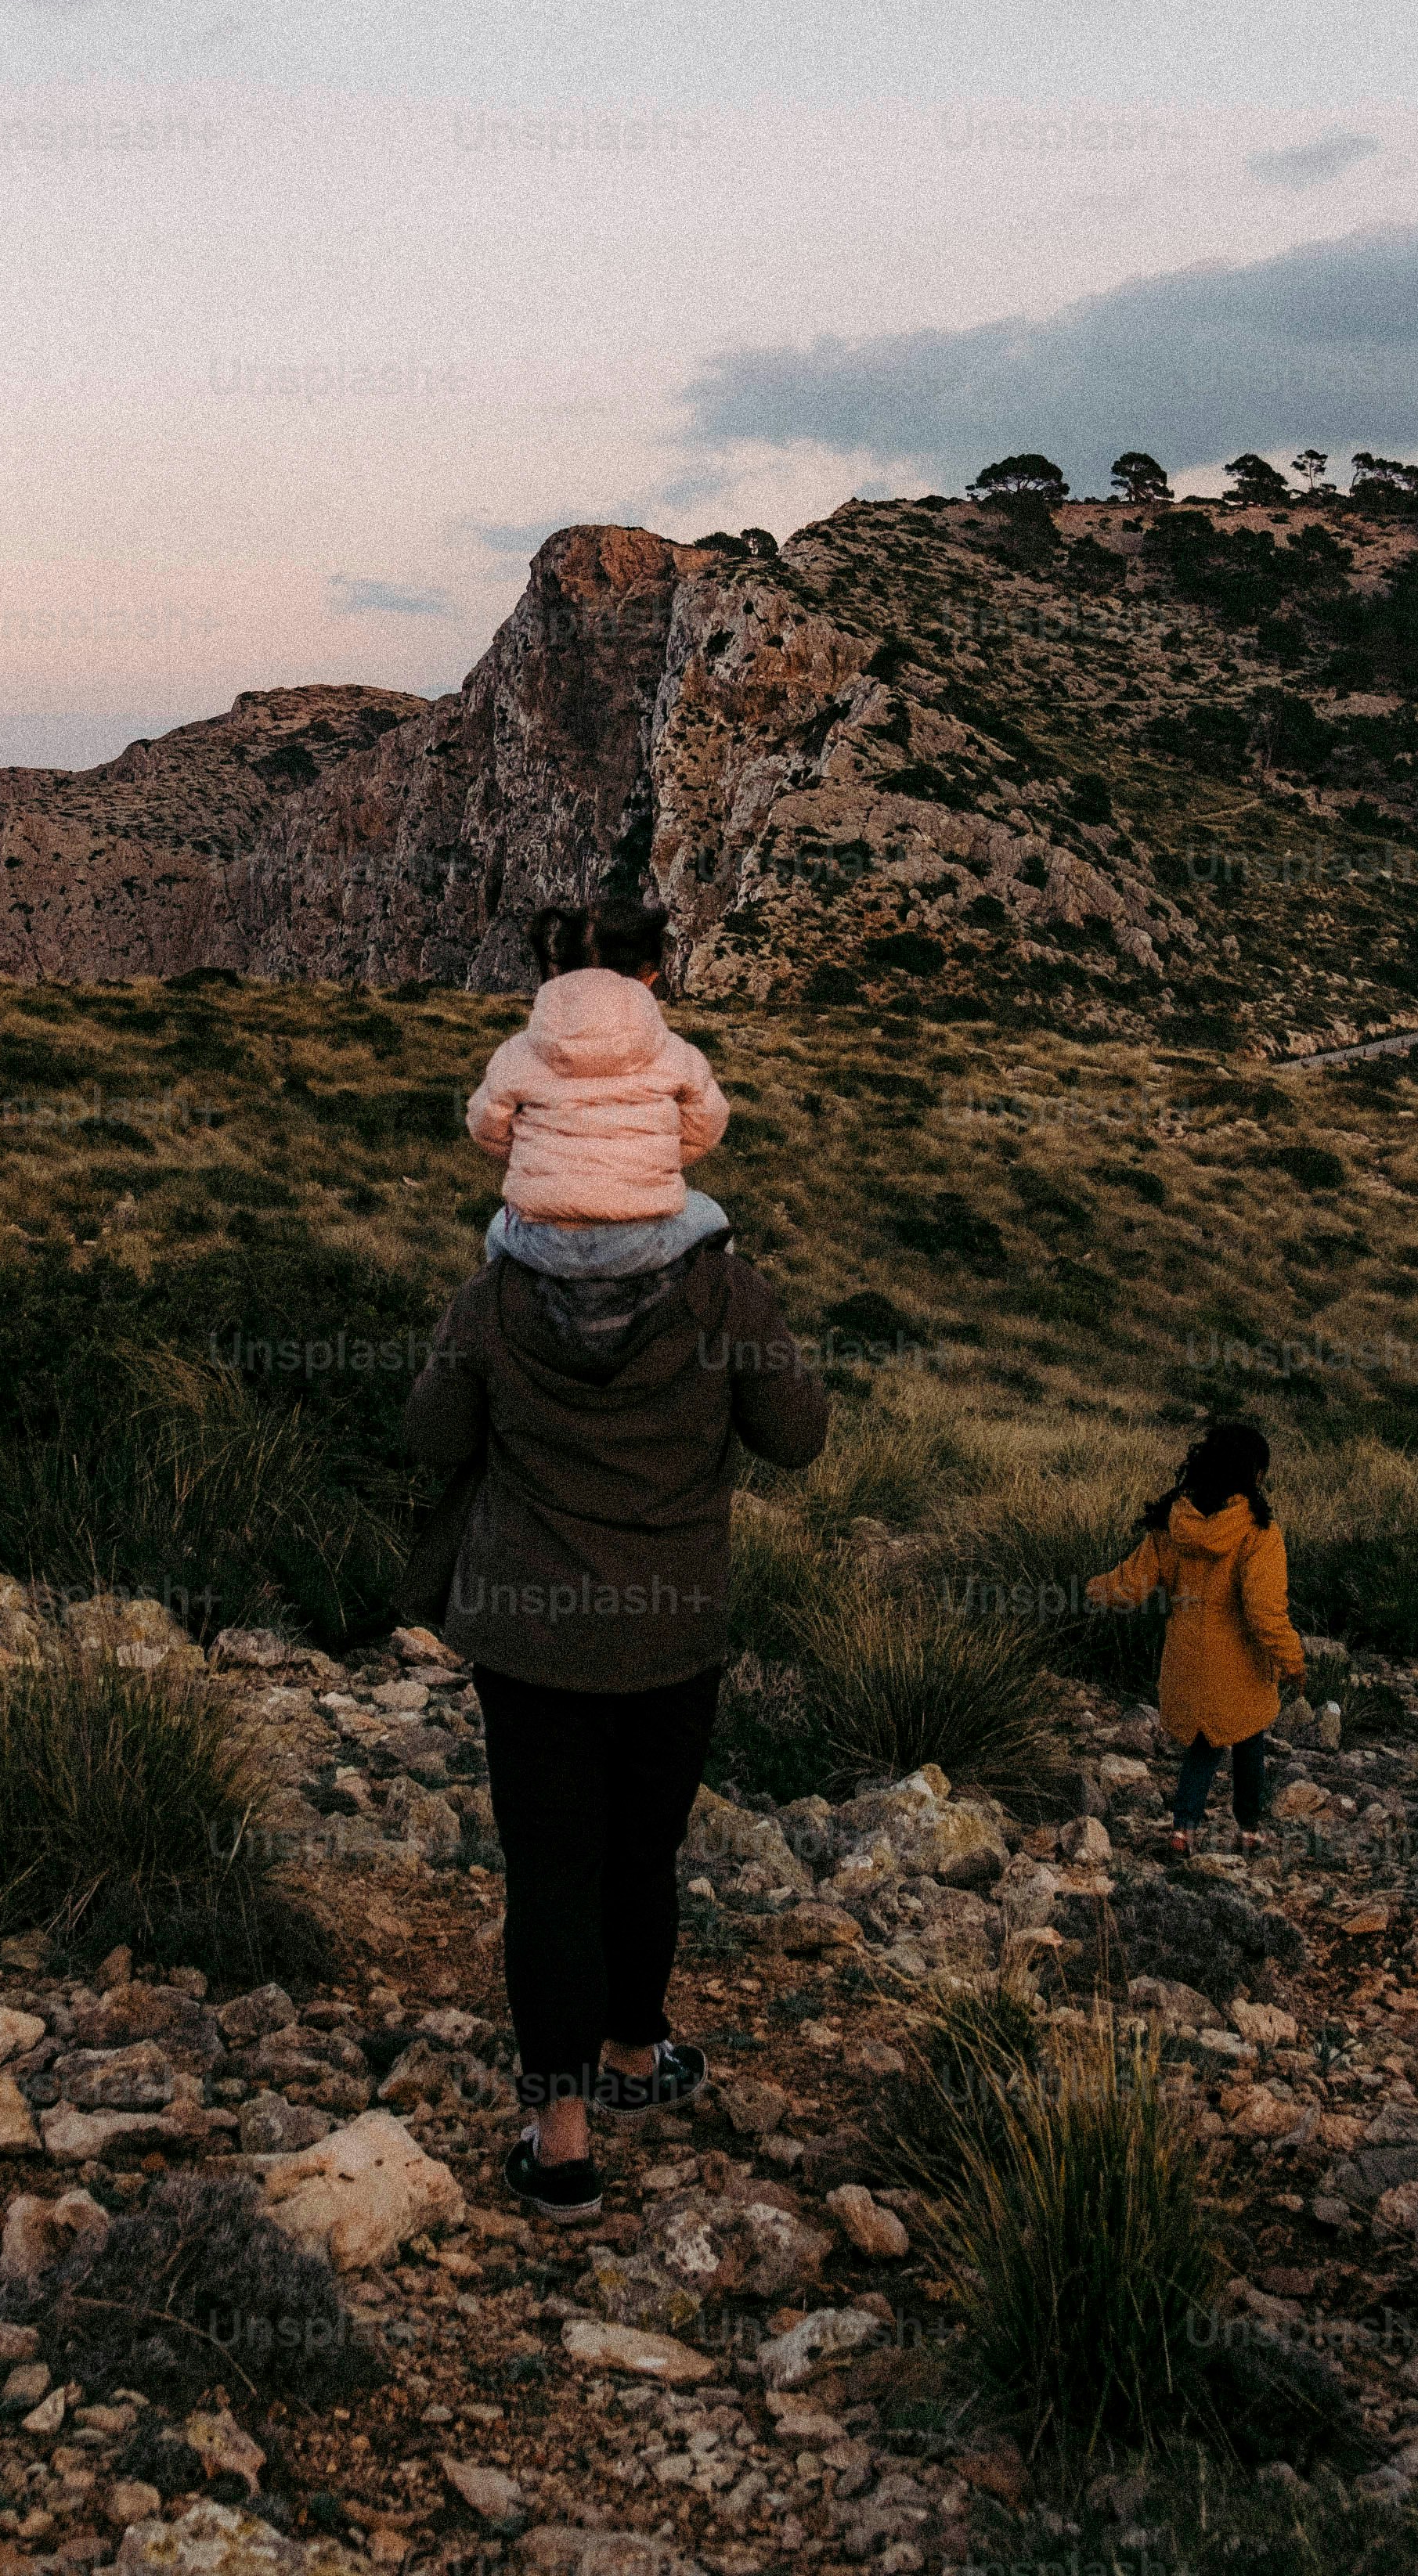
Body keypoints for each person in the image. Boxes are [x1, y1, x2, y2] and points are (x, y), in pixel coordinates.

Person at [405, 904, 825, 2222]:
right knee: (645, 1850)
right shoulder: (724, 1289)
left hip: (528, 1634)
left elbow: (424, 1437)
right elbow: (799, 1437)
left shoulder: (492, 1298)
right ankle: (639, 2051)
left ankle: (566, 2137)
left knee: (550, 1870)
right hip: (670, 1628)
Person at [464, 897, 732, 1283]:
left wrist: (534, 1154)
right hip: (643, 1240)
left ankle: (505, 1305)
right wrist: (652, 1159)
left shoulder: (517, 1053)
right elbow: (709, 1122)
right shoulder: (677, 1053)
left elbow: (484, 1126)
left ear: (561, 970)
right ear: (650, 977)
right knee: (713, 1218)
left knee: (497, 1231)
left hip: (543, 1241)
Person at [1091, 1421, 1303, 1861]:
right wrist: (1292, 1659)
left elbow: (1129, 1585)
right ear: (1253, 1474)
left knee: (1202, 1746)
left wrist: (1087, 1589)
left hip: (1187, 1661)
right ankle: (1249, 1832)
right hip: (1240, 1665)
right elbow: (1264, 1611)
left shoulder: (1174, 1527)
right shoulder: (1258, 1533)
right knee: (1249, 1742)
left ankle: (1182, 1834)